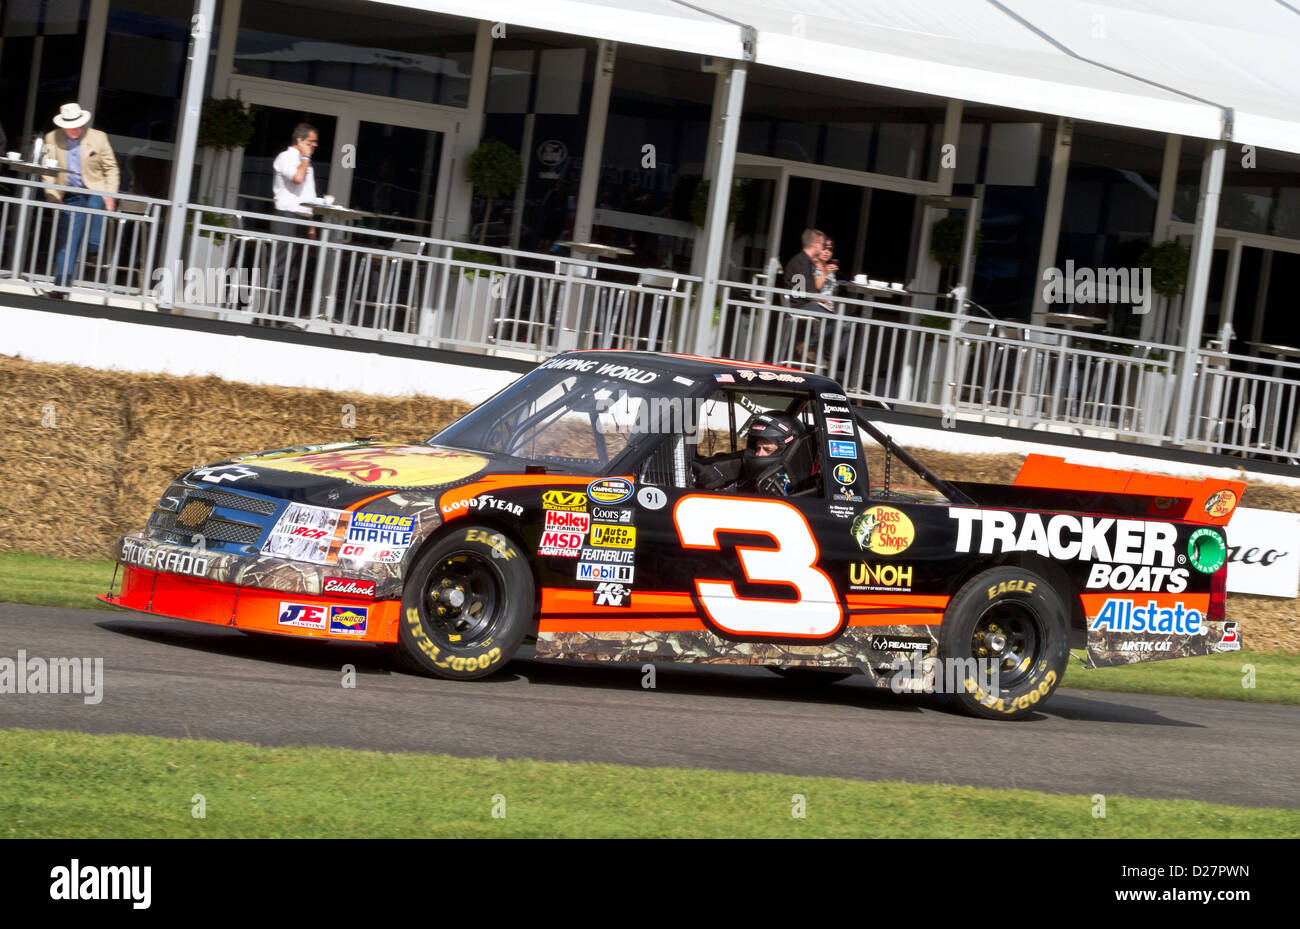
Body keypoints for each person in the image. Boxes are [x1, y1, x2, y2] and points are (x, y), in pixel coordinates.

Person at [42, 103, 119, 297]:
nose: (74, 129)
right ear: (63, 126)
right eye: (70, 126)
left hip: (95, 190)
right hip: (71, 195)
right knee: (68, 240)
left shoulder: (98, 137)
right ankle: (61, 287)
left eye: (77, 125)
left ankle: (94, 249)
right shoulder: (51, 138)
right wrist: (53, 197)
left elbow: (111, 168)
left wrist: (110, 195)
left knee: (95, 203)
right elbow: (47, 172)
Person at [693, 411, 817, 495]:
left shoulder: (807, 491)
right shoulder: (749, 481)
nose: (759, 454)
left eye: (767, 450)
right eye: (757, 449)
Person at [269, 122, 319, 314]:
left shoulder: (306, 162)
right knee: (280, 268)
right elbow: (297, 178)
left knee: (293, 272)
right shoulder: (286, 157)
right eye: (311, 142)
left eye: (315, 142)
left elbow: (308, 196)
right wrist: (305, 158)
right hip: (286, 218)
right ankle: (266, 314)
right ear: (300, 140)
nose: (314, 145)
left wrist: (311, 225)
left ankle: (280, 313)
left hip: (302, 219)